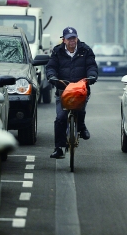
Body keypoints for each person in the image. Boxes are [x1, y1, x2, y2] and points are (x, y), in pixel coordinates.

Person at [46, 27, 98, 159]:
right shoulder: (57, 52)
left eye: (74, 38)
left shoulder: (85, 50)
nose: (72, 41)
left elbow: (91, 66)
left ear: (77, 38)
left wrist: (91, 76)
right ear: (63, 40)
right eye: (69, 39)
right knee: (61, 118)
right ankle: (59, 148)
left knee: (80, 109)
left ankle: (81, 126)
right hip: (63, 90)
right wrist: (52, 77)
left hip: (80, 89)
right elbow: (51, 67)